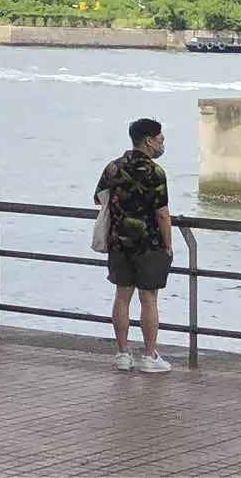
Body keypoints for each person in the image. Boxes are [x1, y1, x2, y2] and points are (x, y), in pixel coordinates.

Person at [98, 117, 174, 373]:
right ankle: (149, 356)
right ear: (149, 140)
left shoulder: (113, 168)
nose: (162, 143)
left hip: (119, 242)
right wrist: (168, 245)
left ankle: (122, 353)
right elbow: (162, 213)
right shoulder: (156, 173)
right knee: (148, 298)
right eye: (160, 139)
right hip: (149, 243)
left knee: (122, 296)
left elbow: (99, 198)